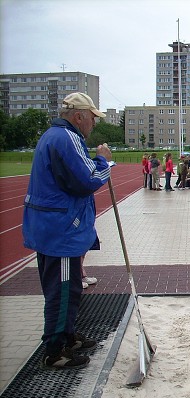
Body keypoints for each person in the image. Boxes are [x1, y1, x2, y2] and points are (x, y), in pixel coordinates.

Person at [22, 92, 112, 369]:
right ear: (79, 117)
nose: (93, 125)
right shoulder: (67, 138)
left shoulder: (53, 135)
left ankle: (67, 335)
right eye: (92, 119)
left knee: (68, 287)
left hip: (52, 225)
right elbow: (87, 180)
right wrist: (104, 161)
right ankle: (55, 349)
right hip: (60, 230)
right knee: (62, 290)